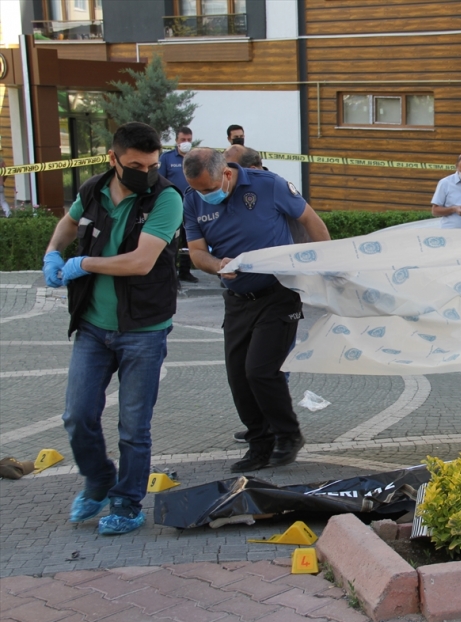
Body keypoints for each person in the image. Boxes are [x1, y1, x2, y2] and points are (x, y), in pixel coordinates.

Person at [41, 122, 183, 535]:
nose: (146, 172)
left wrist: (83, 264)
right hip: (92, 326)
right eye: (136, 164)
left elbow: (141, 262)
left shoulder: (166, 199)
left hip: (144, 328)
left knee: (133, 427)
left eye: (153, 164)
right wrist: (53, 252)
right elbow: (69, 225)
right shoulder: (93, 189)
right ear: (113, 159)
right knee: (78, 415)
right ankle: (99, 477)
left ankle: (126, 503)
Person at [182, 148, 330, 472]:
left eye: (208, 189)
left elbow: (310, 220)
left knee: (261, 370)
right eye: (197, 190)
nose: (204, 196)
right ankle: (259, 445)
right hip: (237, 299)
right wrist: (215, 265)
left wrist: (325, 266)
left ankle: (288, 435)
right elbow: (196, 252)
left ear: (226, 173)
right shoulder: (192, 200)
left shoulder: (269, 185)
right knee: (238, 377)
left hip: (279, 292)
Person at [158, 126, 198, 283]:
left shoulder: (195, 158)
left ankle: (185, 271)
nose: (186, 143)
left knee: (189, 241)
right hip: (173, 208)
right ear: (176, 141)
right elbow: (160, 182)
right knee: (172, 241)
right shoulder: (167, 158)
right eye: (183, 140)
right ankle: (170, 272)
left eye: (189, 140)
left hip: (191, 208)